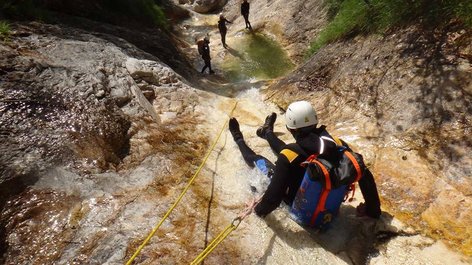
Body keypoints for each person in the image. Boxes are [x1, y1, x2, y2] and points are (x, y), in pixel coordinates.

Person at [229, 101, 381, 223]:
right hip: (326, 210)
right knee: (287, 150)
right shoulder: (338, 143)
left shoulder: (289, 156)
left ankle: (238, 137)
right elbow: (364, 173)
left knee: (258, 159)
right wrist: (373, 211)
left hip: (300, 207)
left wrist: (257, 211)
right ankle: (267, 131)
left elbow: (273, 199)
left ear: (290, 129)